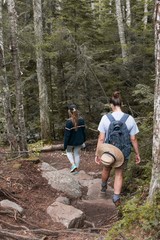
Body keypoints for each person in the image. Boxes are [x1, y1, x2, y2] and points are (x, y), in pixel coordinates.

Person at [95, 91, 141, 206]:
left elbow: (101, 138)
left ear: (111, 104)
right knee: (119, 174)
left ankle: (103, 189)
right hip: (122, 152)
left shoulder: (105, 118)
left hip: (108, 152)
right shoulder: (129, 118)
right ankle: (116, 198)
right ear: (122, 104)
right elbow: (133, 139)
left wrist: (97, 153)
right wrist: (137, 153)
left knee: (106, 169)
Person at [64, 104, 86, 174]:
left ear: (69, 112)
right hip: (79, 141)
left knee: (68, 152)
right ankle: (76, 170)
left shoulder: (68, 122)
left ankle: (73, 165)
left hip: (70, 142)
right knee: (76, 154)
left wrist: (65, 145)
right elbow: (84, 132)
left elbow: (67, 135)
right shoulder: (81, 120)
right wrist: (83, 140)